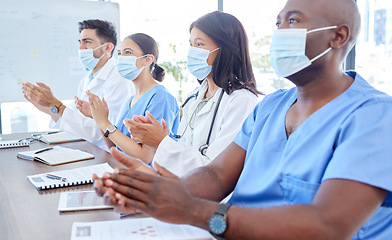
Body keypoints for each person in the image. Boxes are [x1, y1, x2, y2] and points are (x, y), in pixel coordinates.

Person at [94, 0, 392, 239]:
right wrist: (154, 187)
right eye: (278, 23)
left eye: (293, 21)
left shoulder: (374, 116)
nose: (279, 32)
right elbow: (216, 176)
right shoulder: (273, 106)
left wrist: (193, 210)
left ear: (338, 36)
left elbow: (328, 226)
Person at [124, 11, 259, 176]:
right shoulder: (195, 96)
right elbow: (184, 152)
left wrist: (161, 142)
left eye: (200, 45)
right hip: (184, 188)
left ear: (225, 49)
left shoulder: (241, 101)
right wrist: (160, 140)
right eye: (191, 45)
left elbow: (216, 171)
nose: (192, 52)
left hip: (215, 198)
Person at [22, 19, 134, 151]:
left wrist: (54, 104)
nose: (81, 48)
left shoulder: (119, 80)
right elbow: (74, 116)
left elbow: (103, 131)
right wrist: (49, 108)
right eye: (80, 42)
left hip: (107, 154)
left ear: (107, 48)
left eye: (87, 42)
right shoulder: (87, 79)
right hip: (88, 148)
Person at [87, 33, 179, 164]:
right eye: (119, 53)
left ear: (148, 59)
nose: (121, 58)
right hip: (126, 171)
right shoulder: (131, 98)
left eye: (128, 52)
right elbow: (116, 148)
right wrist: (100, 118)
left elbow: (146, 156)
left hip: (150, 179)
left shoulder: (160, 98)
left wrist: (104, 123)